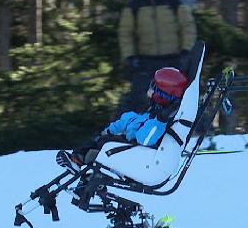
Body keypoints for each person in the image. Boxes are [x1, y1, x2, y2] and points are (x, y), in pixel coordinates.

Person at [57, 67, 189, 172]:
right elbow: (133, 120)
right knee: (100, 138)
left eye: (153, 88)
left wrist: (160, 121)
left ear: (162, 95)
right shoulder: (154, 111)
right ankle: (79, 159)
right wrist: (110, 130)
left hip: (134, 150)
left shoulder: (160, 121)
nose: (149, 91)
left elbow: (145, 140)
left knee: (104, 142)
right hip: (129, 142)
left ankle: (78, 160)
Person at [117, 0, 197, 113]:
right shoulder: (134, 5)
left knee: (182, 102)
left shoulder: (175, 2)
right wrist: (129, 57)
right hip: (145, 63)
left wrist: (186, 52)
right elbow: (125, 33)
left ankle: (200, 133)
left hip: (174, 61)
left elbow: (188, 27)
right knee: (140, 101)